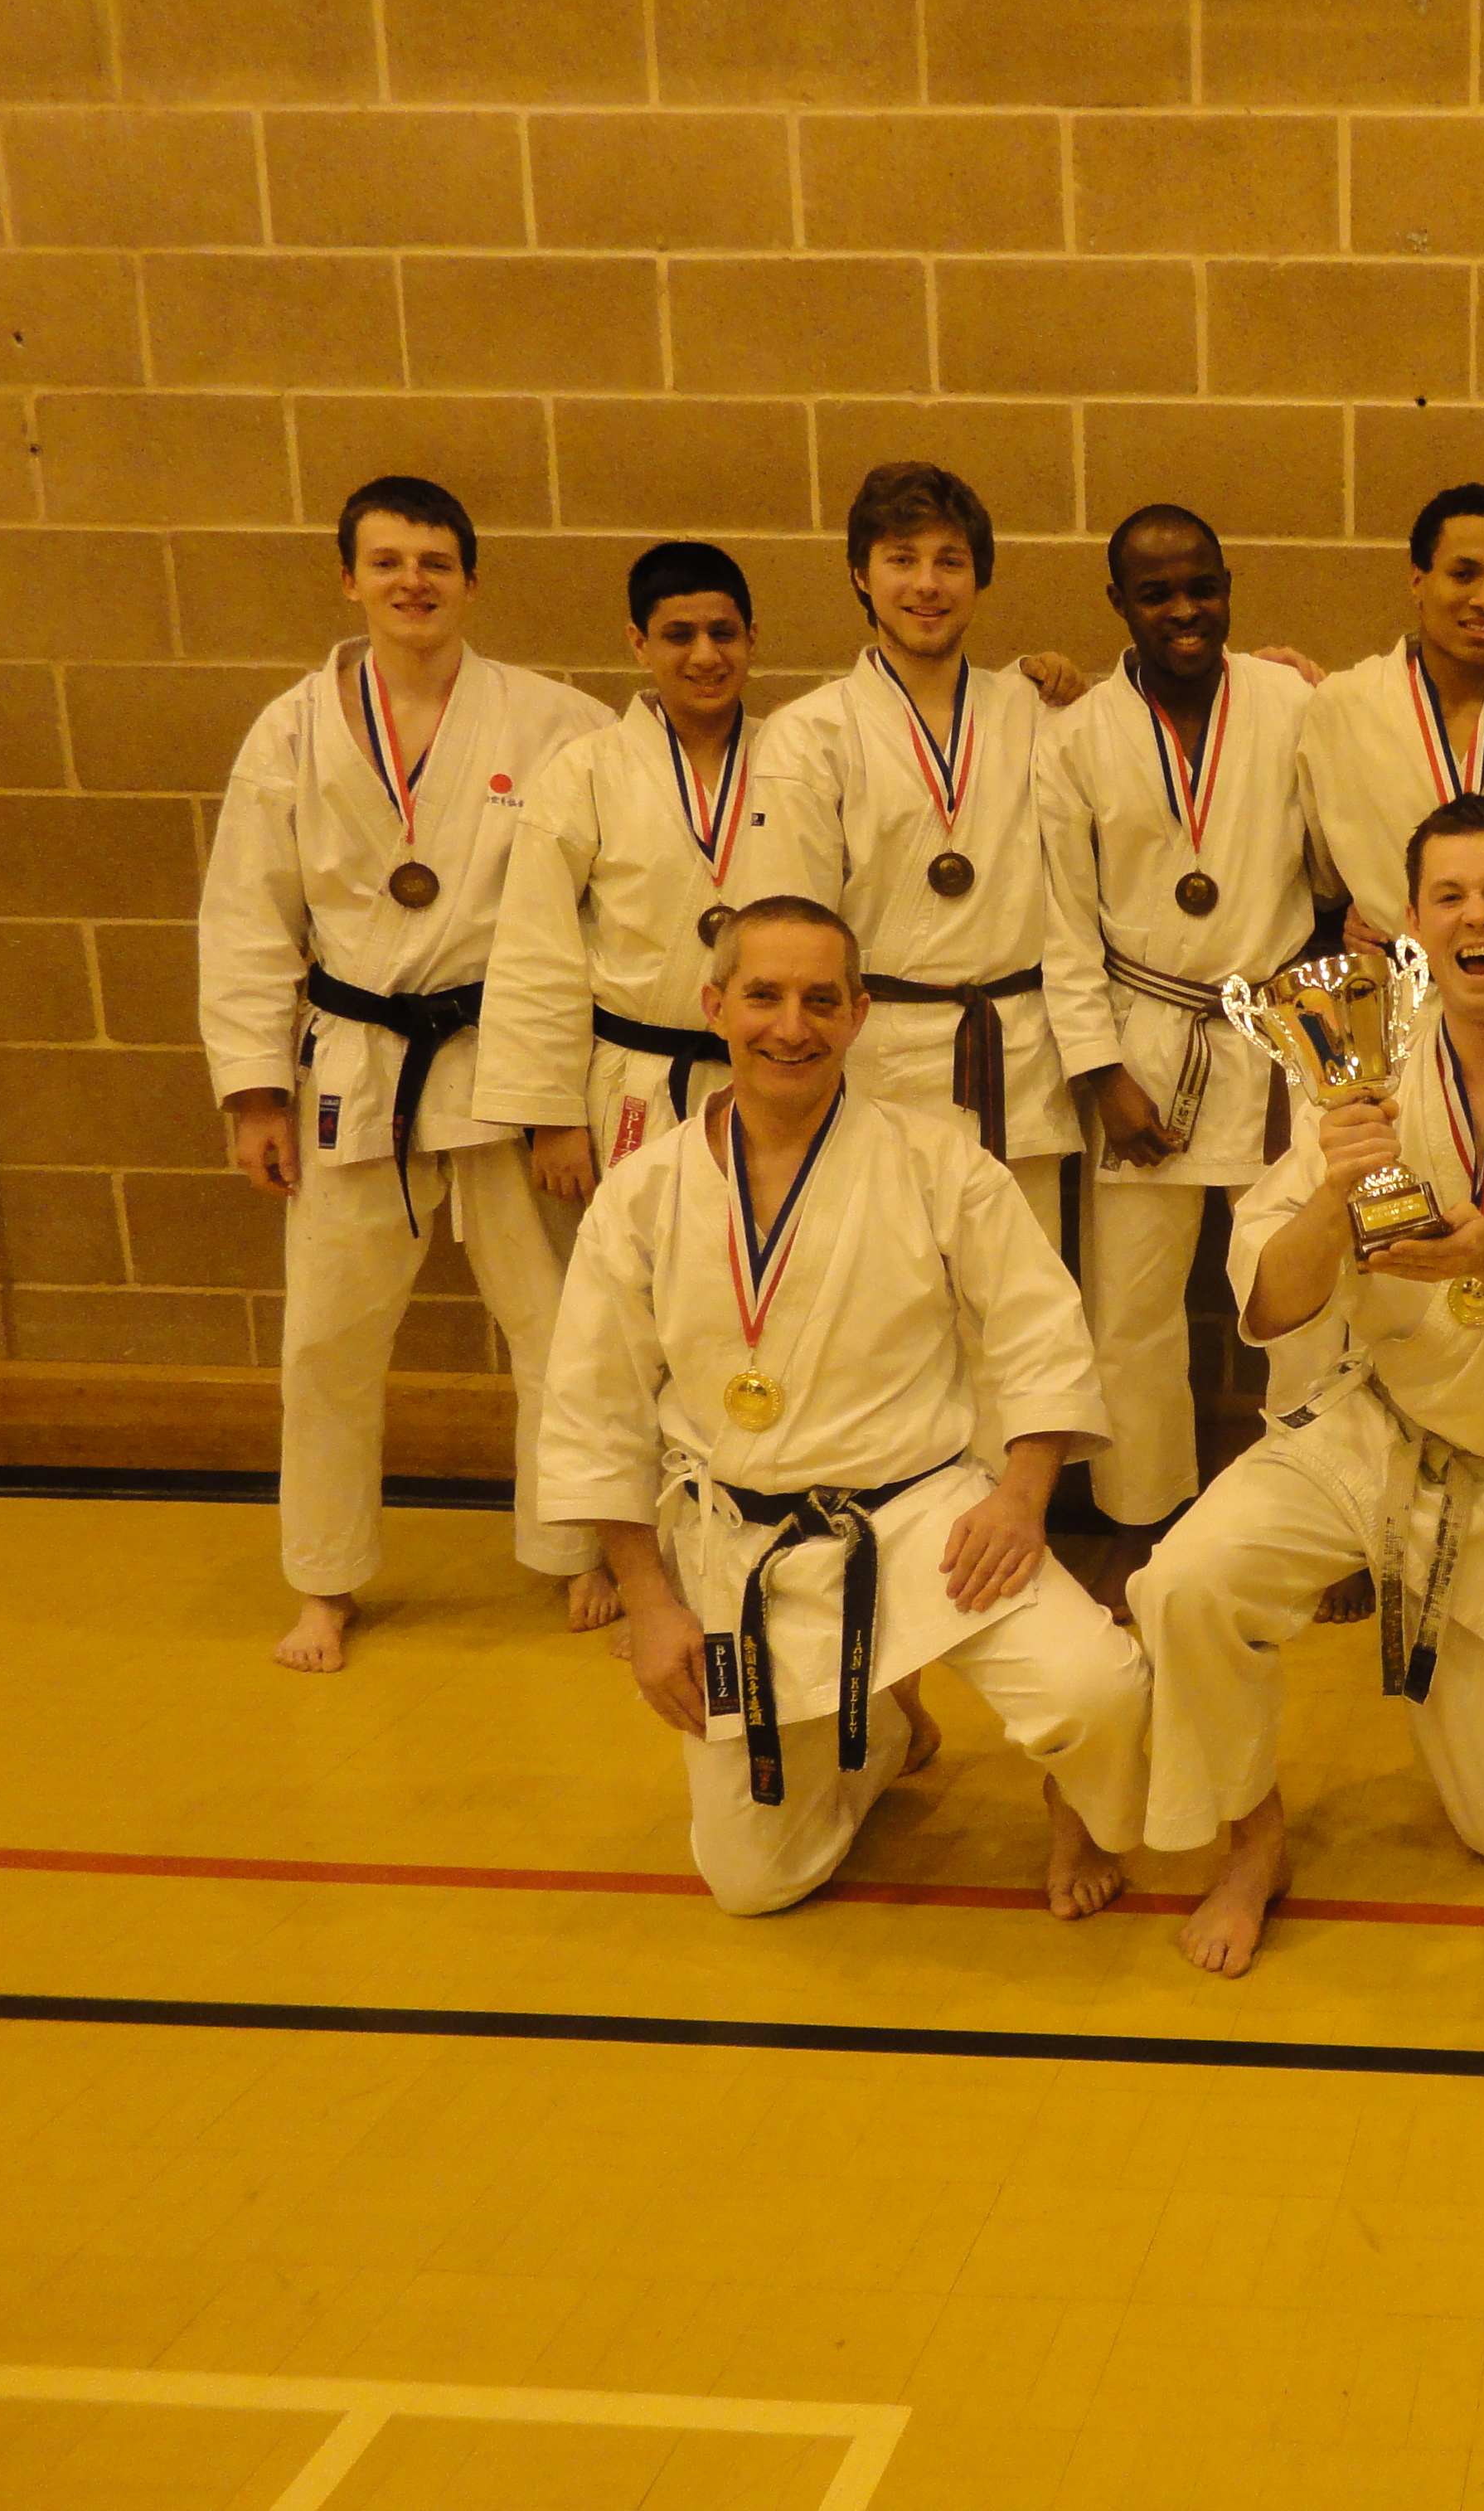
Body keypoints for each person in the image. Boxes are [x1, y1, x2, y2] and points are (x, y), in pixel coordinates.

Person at [1130, 793, 1484, 1979]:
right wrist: (1334, 1191)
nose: (1476, 916)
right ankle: (1252, 1840)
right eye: (1448, 896)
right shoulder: (1359, 1071)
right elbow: (1270, 1300)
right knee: (1188, 1582)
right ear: (1413, 926)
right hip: (1376, 1434)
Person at [538, 897, 1151, 1918]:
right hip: (744, 1548)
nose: (793, 1026)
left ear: (859, 1014)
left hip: (923, 1521)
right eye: (764, 997)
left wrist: (1021, 1496)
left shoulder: (936, 1161)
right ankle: (887, 1729)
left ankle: (1073, 1799)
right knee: (754, 1884)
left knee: (1098, 1692)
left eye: (822, 1000)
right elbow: (592, 1409)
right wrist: (649, 1601)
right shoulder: (641, 1194)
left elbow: (1040, 1328)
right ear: (716, 1007)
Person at [196, 475, 614, 1674]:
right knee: (328, 1342)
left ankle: (578, 1548)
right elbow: (247, 915)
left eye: (435, 562)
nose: (412, 582)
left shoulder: (556, 722)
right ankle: (324, 1581)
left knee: (560, 1329)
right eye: (387, 562)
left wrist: (568, 1088)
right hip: (356, 1064)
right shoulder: (290, 732)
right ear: (349, 579)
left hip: (508, 1061)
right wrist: (253, 1090)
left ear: (471, 581)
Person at [1039, 504, 1319, 1539]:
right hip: (1146, 1038)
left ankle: (1314, 1514)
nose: (1184, 610)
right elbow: (1061, 920)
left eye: (1202, 587)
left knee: (1304, 1292)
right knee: (1131, 1309)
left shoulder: (1292, 703)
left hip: (1280, 1033)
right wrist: (1099, 1071)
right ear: (1119, 602)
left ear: (1230, 586)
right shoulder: (1075, 737)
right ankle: (1142, 1522)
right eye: (1156, 594)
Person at [741, 461, 1085, 1245]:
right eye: (902, 559)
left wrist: (1273, 675)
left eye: (949, 561)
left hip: (1015, 1058)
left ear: (979, 577)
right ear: (861, 576)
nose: (927, 584)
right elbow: (790, 935)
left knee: (1022, 1299)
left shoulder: (1034, 711)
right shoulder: (809, 733)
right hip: (878, 1066)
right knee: (885, 1296)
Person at [480, 540, 768, 1202]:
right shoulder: (585, 770)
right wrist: (551, 1114)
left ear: (752, 638)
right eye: (679, 635)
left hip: (769, 1078)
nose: (705, 655)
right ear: (639, 644)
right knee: (635, 1261)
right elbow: (536, 947)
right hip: (635, 1081)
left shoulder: (796, 759)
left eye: (723, 633)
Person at [1297, 483, 1484, 948]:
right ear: (1418, 581)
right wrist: (1345, 925)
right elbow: (1319, 883)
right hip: (1394, 980)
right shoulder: (1341, 709)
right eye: (1463, 574)